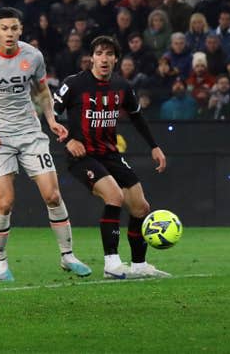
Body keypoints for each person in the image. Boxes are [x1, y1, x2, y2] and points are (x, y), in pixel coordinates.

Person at [0, 7, 92, 281]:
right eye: (4, 28)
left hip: (30, 134)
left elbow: (41, 91)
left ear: (20, 30)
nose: (10, 33)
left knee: (52, 195)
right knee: (5, 202)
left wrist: (51, 120)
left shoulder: (33, 55)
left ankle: (67, 255)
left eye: (14, 28)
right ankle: (0, 261)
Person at [53, 35, 170, 279]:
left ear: (116, 59)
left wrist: (154, 146)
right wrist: (68, 140)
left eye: (109, 54)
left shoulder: (122, 86)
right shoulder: (74, 84)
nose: (103, 59)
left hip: (110, 154)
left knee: (141, 207)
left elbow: (137, 116)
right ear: (92, 58)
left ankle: (139, 265)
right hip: (82, 156)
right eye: (99, 54)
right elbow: (49, 114)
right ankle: (111, 264)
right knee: (114, 196)